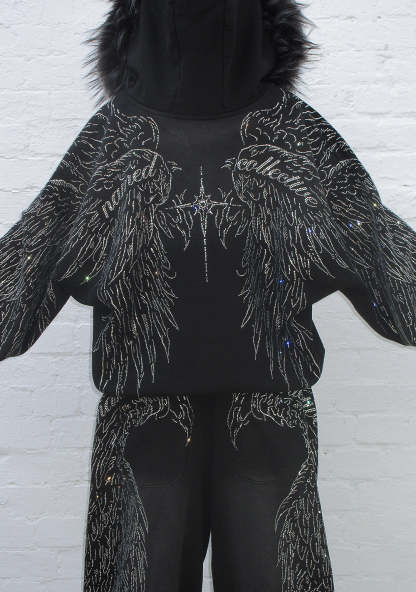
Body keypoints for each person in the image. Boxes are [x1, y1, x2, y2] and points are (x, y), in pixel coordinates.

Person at [1, 1, 415, 590]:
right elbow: (397, 282)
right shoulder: (289, 133)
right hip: (186, 421)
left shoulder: (118, 139)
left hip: (231, 418)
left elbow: (19, 283)